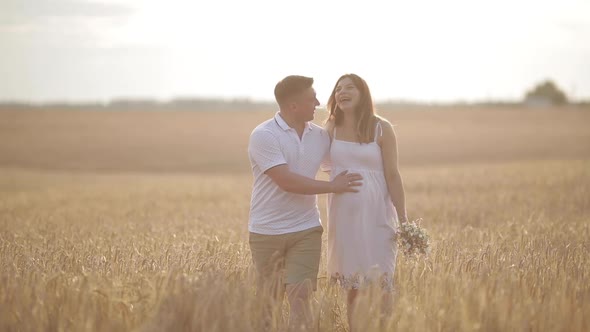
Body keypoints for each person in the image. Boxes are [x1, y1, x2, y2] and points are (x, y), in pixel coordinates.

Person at [247, 75, 363, 331]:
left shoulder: (320, 136)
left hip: (306, 229)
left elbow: (341, 167)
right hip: (267, 231)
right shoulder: (263, 135)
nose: (318, 103)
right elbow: (287, 181)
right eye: (312, 99)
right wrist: (332, 187)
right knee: (270, 300)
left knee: (301, 297)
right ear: (293, 106)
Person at [323, 73, 408, 331]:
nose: (342, 92)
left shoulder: (382, 127)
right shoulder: (329, 128)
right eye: (338, 88)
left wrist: (403, 219)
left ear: (363, 94)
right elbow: (311, 161)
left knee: (383, 282)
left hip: (379, 216)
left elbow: (393, 175)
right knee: (354, 286)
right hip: (345, 218)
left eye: (349, 87)